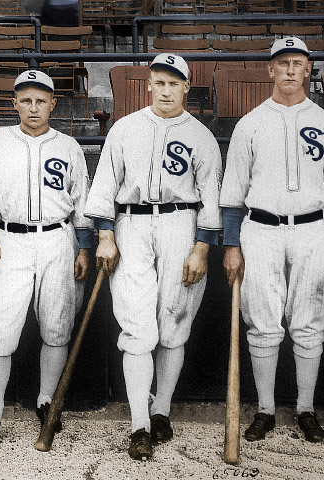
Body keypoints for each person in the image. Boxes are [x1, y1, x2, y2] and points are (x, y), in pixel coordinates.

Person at [84, 53, 222, 460]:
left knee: (174, 321)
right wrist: (105, 236)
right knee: (137, 325)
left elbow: (211, 199)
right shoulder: (125, 129)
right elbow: (105, 184)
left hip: (182, 223)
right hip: (131, 225)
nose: (166, 90)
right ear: (149, 84)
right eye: (159, 82)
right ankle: (139, 424)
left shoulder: (201, 136)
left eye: (174, 83)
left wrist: (201, 249)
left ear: (186, 87)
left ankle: (161, 410)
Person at [220, 37, 324, 443]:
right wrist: (231, 245)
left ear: (309, 70)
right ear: (270, 71)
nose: (291, 70)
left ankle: (306, 408)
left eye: (298, 62)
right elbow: (231, 193)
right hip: (259, 229)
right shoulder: (250, 123)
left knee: (311, 322)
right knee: (261, 322)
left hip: (315, 228)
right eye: (283, 63)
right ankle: (264, 409)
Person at [0, 70, 94, 448]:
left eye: (41, 100)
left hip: (58, 237)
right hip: (11, 240)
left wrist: (84, 246)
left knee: (56, 327)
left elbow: (83, 201)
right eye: (26, 100)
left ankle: (46, 403)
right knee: (0, 330)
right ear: (14, 103)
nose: (33, 107)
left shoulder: (69, 145)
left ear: (54, 103)